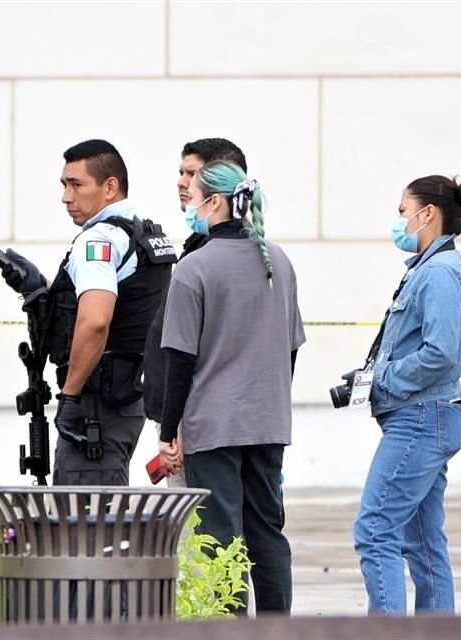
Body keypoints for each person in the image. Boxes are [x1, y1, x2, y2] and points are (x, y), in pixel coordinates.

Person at [158, 160, 305, 614]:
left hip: (214, 427)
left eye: (196, 194)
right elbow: (291, 347)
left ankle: (231, 629)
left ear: (215, 202)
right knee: (268, 534)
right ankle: (278, 627)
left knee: (222, 541)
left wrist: (168, 432)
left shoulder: (193, 268)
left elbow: (179, 360)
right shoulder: (278, 261)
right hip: (268, 422)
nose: (190, 204)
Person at [0, 139, 177, 485]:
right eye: (64, 185)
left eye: (76, 185)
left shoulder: (99, 241)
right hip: (125, 398)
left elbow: (95, 321)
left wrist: (70, 395)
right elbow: (113, 304)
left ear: (110, 187)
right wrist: (40, 287)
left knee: (87, 524)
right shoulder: (140, 234)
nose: (66, 197)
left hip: (96, 405)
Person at [353, 175, 461, 615]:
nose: (399, 221)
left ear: (428, 214)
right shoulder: (430, 270)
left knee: (375, 531)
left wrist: (383, 377)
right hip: (428, 414)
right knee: (423, 543)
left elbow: (442, 353)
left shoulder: (441, 273)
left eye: (403, 211)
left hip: (421, 417)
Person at [143, 137, 248, 487]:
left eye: (192, 174)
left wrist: (181, 425)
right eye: (180, 172)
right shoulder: (200, 249)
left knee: (203, 532)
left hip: (201, 428)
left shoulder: (224, 257)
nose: (181, 182)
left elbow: (202, 352)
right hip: (189, 423)